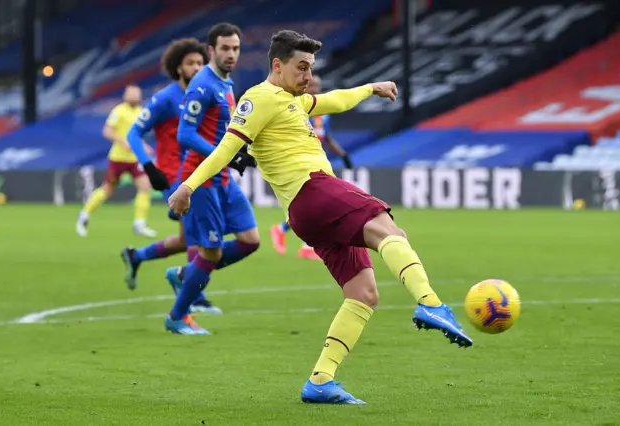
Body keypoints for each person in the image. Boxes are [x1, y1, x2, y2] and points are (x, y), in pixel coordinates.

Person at [168, 29, 473, 402]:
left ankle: (321, 380)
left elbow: (335, 100)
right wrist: (188, 186)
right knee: (389, 229)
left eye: (310, 68)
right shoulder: (260, 98)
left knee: (363, 293)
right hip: (311, 190)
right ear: (277, 65)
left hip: (307, 212)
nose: (308, 76)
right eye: (301, 67)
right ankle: (430, 303)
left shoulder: (292, 101)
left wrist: (370, 88)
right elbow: (226, 147)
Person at [164, 22, 259, 335]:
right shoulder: (202, 85)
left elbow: (221, 133)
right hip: (201, 180)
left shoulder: (226, 84)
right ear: (211, 51)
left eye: (235, 48)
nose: (231, 54)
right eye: (225, 49)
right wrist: (227, 156)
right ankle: (177, 317)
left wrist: (238, 152)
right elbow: (185, 134)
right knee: (212, 252)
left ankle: (186, 274)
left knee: (250, 241)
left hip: (223, 179)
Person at [119, 38, 220, 314]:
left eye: (201, 62)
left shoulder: (206, 95)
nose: (197, 67)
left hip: (197, 171)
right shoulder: (166, 98)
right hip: (173, 176)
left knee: (188, 238)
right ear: (178, 68)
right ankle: (194, 298)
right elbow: (133, 133)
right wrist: (149, 168)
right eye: (191, 63)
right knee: (198, 235)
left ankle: (136, 256)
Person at [270, 74, 353, 260]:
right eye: (312, 85)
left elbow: (328, 138)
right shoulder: (296, 107)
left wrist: (343, 155)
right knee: (315, 203)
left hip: (318, 161)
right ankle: (305, 244)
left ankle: (286, 232)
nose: (315, 88)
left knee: (314, 204)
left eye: (318, 85)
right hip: (300, 163)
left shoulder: (324, 114)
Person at [76, 84, 157, 238]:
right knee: (107, 189)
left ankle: (139, 224)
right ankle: (84, 214)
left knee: (145, 186)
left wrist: (144, 146)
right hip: (118, 158)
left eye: (137, 94)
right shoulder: (118, 111)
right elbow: (107, 131)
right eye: (132, 94)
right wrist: (123, 142)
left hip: (134, 159)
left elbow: (136, 135)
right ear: (125, 96)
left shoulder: (141, 112)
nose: (135, 96)